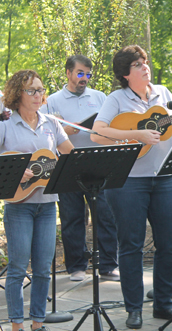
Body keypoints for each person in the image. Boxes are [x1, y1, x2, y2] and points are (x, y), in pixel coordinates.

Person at [91, 45, 172, 329]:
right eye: (138, 64)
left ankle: (163, 304)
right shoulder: (117, 98)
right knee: (131, 245)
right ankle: (134, 308)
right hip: (127, 182)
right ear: (126, 74)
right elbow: (98, 132)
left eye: (145, 62)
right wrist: (136, 133)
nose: (145, 67)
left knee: (169, 244)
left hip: (165, 178)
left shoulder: (164, 94)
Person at [1, 70, 74, 331]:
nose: (38, 95)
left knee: (43, 268)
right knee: (18, 267)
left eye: (40, 90)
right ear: (16, 94)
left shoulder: (51, 124)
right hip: (18, 206)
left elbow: (70, 156)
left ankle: (38, 323)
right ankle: (17, 325)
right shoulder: (5, 127)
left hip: (46, 205)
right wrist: (14, 169)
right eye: (31, 90)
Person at [43, 55, 119, 282]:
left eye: (88, 74)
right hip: (68, 163)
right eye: (80, 73)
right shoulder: (53, 100)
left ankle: (108, 265)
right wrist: (64, 131)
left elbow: (111, 125)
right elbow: (46, 132)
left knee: (106, 214)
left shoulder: (100, 97)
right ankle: (76, 266)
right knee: (72, 216)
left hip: (99, 162)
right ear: (68, 72)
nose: (84, 78)